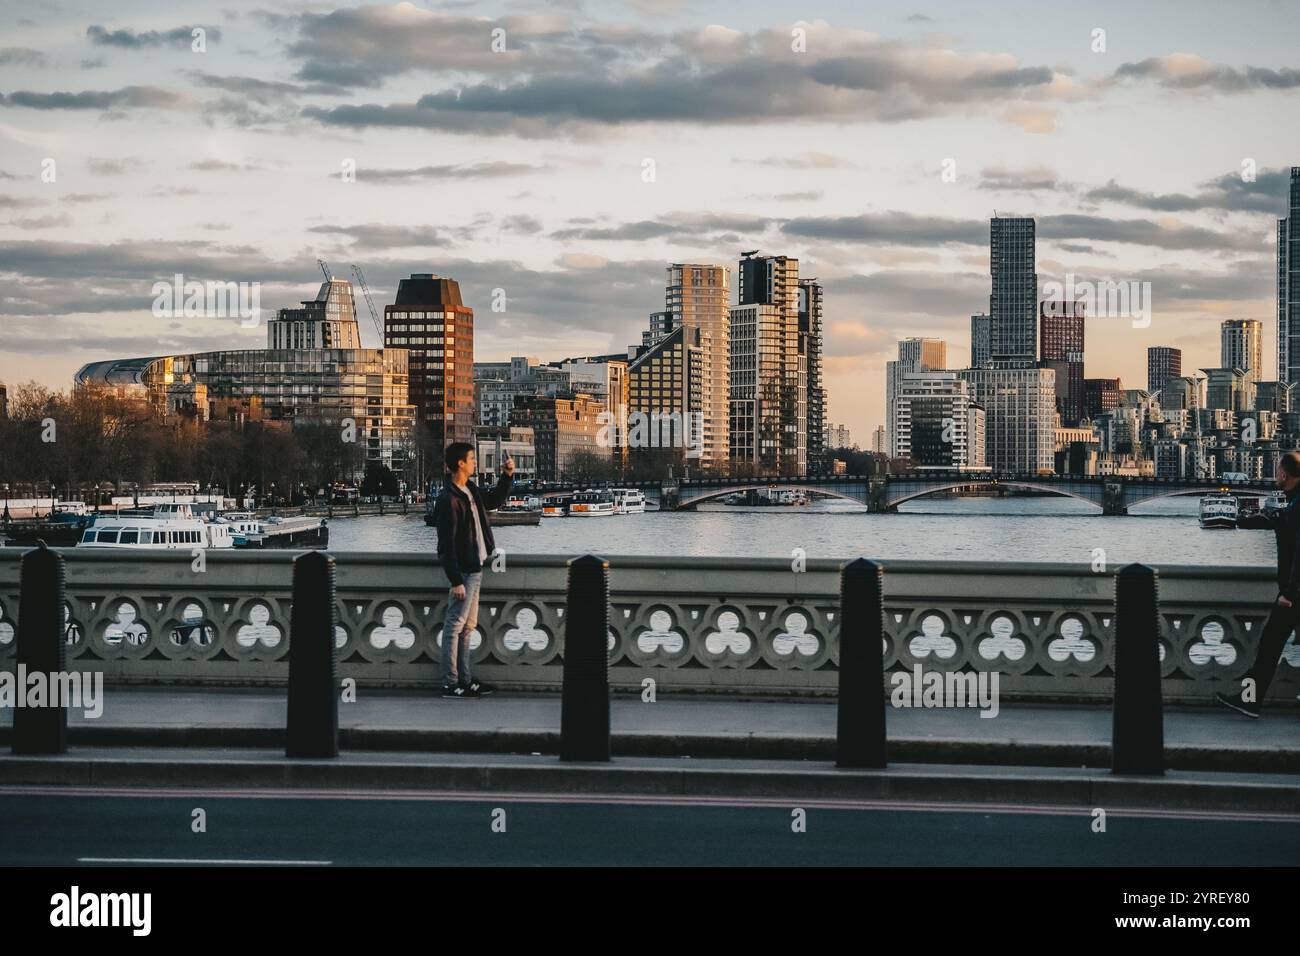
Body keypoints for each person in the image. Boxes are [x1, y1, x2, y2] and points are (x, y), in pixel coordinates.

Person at [1216, 451, 1300, 718]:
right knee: (1269, 647)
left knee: (1268, 648)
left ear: (1284, 474)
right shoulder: (1293, 503)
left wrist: (1289, 591)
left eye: (1277, 470)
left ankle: (1249, 700)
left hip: (1293, 595)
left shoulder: (1298, 506)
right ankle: (1249, 699)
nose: (1275, 475)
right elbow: (1281, 527)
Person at [433, 442, 514, 699]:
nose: (475, 462)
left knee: (468, 627)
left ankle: (465, 680)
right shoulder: (448, 499)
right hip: (465, 572)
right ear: (460, 463)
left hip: (476, 568)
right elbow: (446, 545)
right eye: (471, 458)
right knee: (455, 626)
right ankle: (450, 682)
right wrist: (455, 580)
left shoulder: (469, 489)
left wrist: (507, 476)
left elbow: (492, 501)